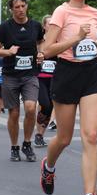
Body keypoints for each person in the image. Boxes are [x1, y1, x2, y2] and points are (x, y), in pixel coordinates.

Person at [40, 0, 97, 195]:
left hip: (92, 72)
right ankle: (48, 166)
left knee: (91, 135)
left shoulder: (95, 13)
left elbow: (92, 44)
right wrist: (75, 38)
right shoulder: (61, 12)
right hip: (67, 73)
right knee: (63, 138)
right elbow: (47, 50)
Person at [0, 0, 44, 162]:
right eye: (17, 7)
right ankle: (14, 146)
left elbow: (41, 42)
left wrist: (41, 52)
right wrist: (8, 52)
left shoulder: (35, 26)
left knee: (30, 108)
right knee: (14, 114)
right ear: (11, 9)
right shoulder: (5, 27)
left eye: (23, 6)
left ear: (26, 6)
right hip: (11, 76)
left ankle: (27, 143)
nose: (20, 10)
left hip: (30, 74)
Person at [34, 15, 57, 147]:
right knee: (44, 105)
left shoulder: (59, 42)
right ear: (44, 26)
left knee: (50, 108)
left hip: (54, 79)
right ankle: (38, 132)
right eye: (50, 24)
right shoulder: (39, 43)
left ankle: (39, 135)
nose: (52, 26)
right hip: (40, 79)